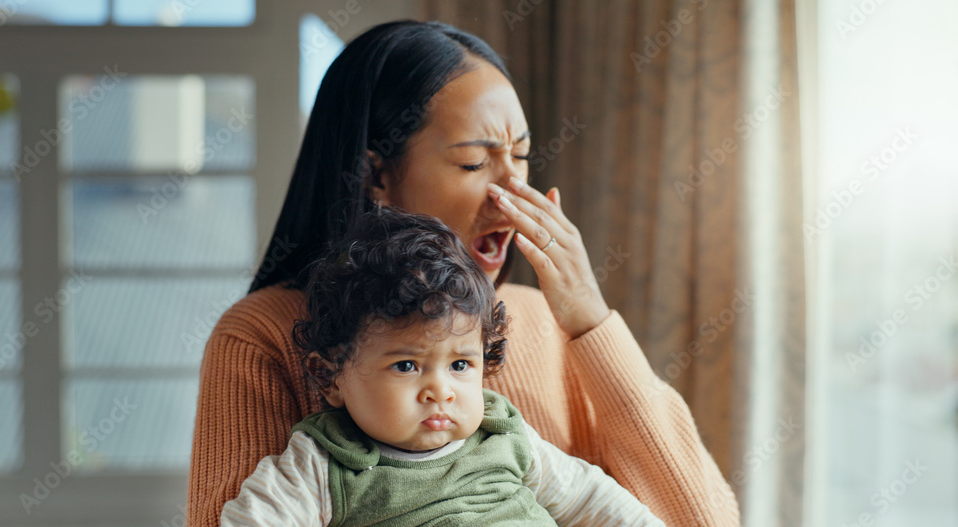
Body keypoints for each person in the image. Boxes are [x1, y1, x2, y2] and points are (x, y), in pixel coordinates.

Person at [188, 20, 740, 527]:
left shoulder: (545, 319)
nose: (512, 195)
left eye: (520, 157)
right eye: (475, 163)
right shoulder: (261, 334)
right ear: (375, 173)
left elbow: (706, 521)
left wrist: (590, 323)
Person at [218, 209, 665, 526]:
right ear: (329, 375)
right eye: (407, 365)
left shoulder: (502, 435)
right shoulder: (325, 463)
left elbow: (591, 498)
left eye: (460, 364)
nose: (440, 390)